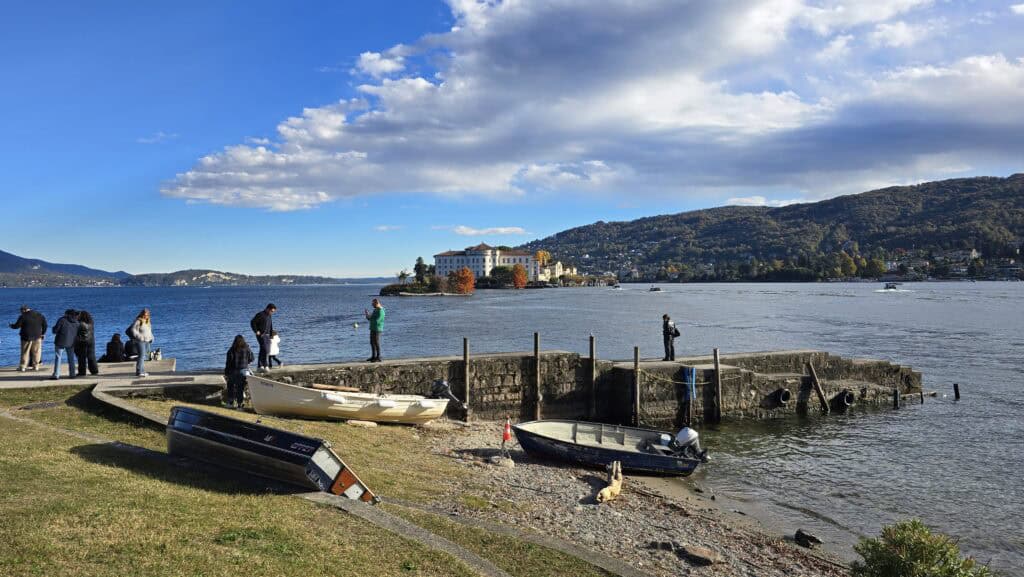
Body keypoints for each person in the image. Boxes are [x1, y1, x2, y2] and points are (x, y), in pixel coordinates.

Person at [10, 305, 47, 371]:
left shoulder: (23, 316)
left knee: (25, 352)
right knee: (36, 352)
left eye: (21, 311)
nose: (21, 313)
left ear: (23, 310)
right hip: (37, 336)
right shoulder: (39, 315)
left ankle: (23, 367)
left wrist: (11, 326)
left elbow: (17, 326)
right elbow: (45, 325)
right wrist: (43, 333)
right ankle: (36, 366)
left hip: (26, 337)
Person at [223, 335, 254, 409]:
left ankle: (230, 403)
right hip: (243, 371)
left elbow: (228, 363)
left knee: (230, 386)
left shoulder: (231, 350)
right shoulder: (247, 349)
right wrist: (247, 362)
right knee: (240, 388)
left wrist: (226, 372)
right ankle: (239, 405)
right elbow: (252, 358)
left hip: (233, 371)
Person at [51, 310, 80, 380]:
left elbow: (55, 330)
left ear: (67, 314)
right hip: (71, 342)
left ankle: (56, 374)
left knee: (58, 358)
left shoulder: (62, 320)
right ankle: (72, 374)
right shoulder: (77, 322)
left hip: (60, 341)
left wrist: (53, 329)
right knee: (71, 358)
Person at [127, 309, 154, 377]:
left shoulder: (148, 321)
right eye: (144, 315)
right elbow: (132, 329)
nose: (146, 316)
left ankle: (142, 371)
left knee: (144, 356)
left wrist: (152, 338)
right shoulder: (138, 321)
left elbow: (149, 331)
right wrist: (139, 336)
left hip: (147, 341)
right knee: (141, 356)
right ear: (142, 314)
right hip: (140, 341)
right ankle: (138, 372)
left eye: (147, 315)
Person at [250, 303, 276, 372]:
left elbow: (270, 325)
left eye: (273, 312)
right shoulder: (260, 314)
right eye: (272, 311)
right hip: (261, 335)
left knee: (265, 350)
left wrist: (271, 335)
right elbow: (252, 322)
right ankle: (265, 365)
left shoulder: (269, 316)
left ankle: (260, 366)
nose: (272, 313)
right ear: (268, 309)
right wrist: (256, 331)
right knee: (264, 349)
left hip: (267, 335)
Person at [74, 310, 99, 376]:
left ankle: (82, 372)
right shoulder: (91, 323)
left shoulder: (80, 324)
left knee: (82, 358)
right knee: (91, 356)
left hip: (82, 342)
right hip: (91, 341)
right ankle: (94, 370)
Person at [364, 298, 385, 362]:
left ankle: (378, 357)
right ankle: (373, 356)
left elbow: (377, 320)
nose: (372, 305)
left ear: (377, 303)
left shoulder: (381, 311)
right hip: (372, 328)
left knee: (376, 342)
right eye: (372, 304)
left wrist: (370, 317)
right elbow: (370, 318)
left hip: (377, 329)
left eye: (373, 304)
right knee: (372, 342)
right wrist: (367, 315)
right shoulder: (375, 310)